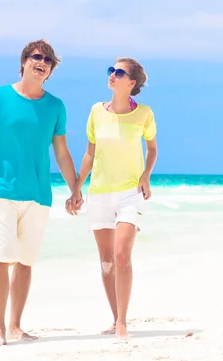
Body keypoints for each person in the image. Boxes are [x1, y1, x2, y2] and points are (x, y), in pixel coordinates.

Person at [0, 39, 82, 347]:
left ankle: (16, 326)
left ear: (50, 71)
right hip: (2, 191)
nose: (43, 62)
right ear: (24, 61)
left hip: (38, 194)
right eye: (37, 57)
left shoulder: (55, 106)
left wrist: (75, 188)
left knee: (25, 262)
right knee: (0, 257)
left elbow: (61, 152)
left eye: (48, 61)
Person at [66, 57, 158, 338]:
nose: (112, 75)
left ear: (131, 83)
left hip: (130, 194)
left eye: (118, 72)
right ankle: (114, 317)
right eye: (111, 70)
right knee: (106, 260)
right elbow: (90, 154)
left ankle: (123, 324)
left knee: (121, 256)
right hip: (99, 194)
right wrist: (77, 189)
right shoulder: (96, 111)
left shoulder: (144, 114)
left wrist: (146, 176)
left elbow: (152, 149)